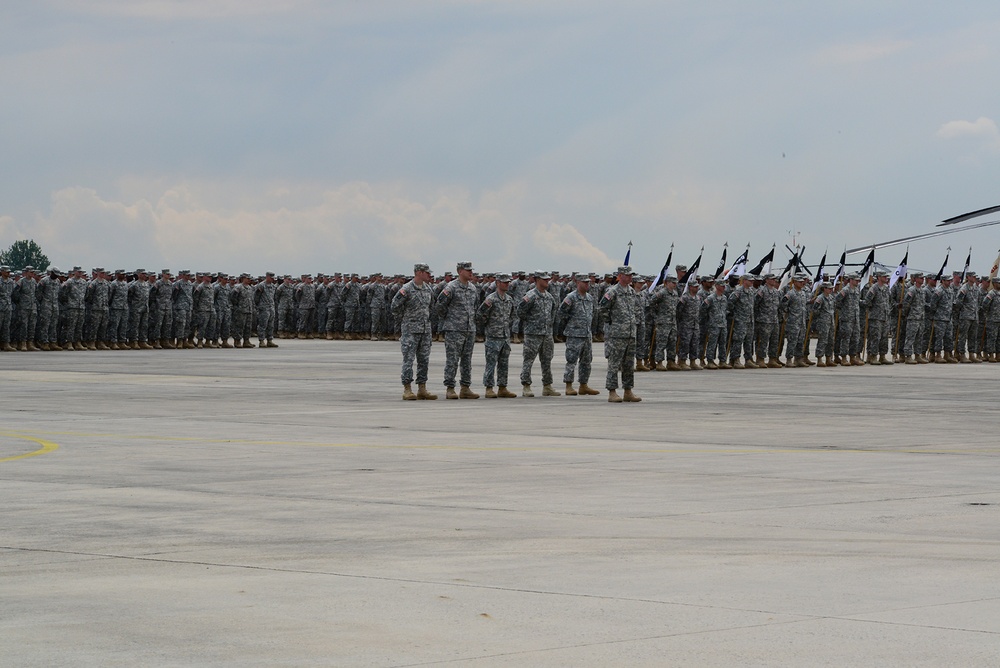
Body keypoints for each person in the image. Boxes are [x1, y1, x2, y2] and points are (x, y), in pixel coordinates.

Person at [391, 263, 437, 400]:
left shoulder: (428, 289)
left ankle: (422, 388)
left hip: (425, 330)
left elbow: (431, 307)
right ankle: (407, 388)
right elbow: (394, 307)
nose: (429, 275)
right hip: (410, 330)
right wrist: (406, 320)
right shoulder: (406, 289)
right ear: (418, 273)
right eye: (426, 273)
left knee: (424, 360)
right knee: (408, 360)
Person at [436, 261, 480, 399]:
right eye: (467, 270)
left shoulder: (473, 288)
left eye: (471, 270)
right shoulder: (451, 288)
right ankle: (450, 388)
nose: (470, 272)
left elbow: (475, 306)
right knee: (452, 360)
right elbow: (440, 306)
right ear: (460, 271)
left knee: (467, 360)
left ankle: (465, 387)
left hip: (469, 329)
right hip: (454, 329)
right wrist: (450, 320)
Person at [599, 265, 642, 403]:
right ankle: (612, 391)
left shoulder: (631, 291)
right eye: (627, 275)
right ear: (620, 276)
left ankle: (628, 391)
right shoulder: (612, 292)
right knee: (614, 363)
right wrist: (612, 322)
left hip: (630, 333)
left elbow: (635, 309)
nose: (630, 277)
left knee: (629, 364)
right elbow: (602, 308)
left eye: (631, 275)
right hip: (617, 334)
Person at [517, 271, 559, 397]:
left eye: (547, 279)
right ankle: (526, 386)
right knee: (528, 360)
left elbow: (553, 313)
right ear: (537, 280)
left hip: (546, 334)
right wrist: (532, 323)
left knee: (547, 360)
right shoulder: (530, 296)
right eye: (544, 279)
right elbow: (520, 312)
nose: (547, 281)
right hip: (533, 334)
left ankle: (547, 386)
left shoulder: (549, 297)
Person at [477, 273, 517, 398]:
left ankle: (502, 387)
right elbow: (480, 314)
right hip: (493, 336)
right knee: (491, 363)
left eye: (508, 282)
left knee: (504, 364)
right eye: (504, 282)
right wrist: (489, 326)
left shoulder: (509, 299)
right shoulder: (491, 299)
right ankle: (489, 388)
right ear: (498, 283)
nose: (507, 284)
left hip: (505, 336)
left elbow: (512, 316)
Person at [559, 273, 600, 395]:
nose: (587, 284)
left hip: (587, 334)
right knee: (571, 360)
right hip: (574, 335)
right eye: (585, 282)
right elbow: (561, 313)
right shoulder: (570, 297)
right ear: (578, 283)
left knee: (586, 361)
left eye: (588, 282)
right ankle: (568, 385)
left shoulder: (589, 298)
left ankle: (584, 385)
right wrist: (572, 324)